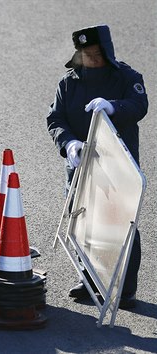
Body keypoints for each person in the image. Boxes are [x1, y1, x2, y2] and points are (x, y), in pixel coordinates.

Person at [46, 25, 149, 309]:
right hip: (81, 164)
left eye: (95, 53)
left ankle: (125, 287)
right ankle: (89, 279)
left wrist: (113, 107)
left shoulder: (127, 78)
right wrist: (69, 145)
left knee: (121, 222)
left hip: (117, 163)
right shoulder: (69, 83)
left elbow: (139, 105)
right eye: (85, 53)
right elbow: (55, 119)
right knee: (83, 220)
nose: (90, 58)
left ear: (106, 51)